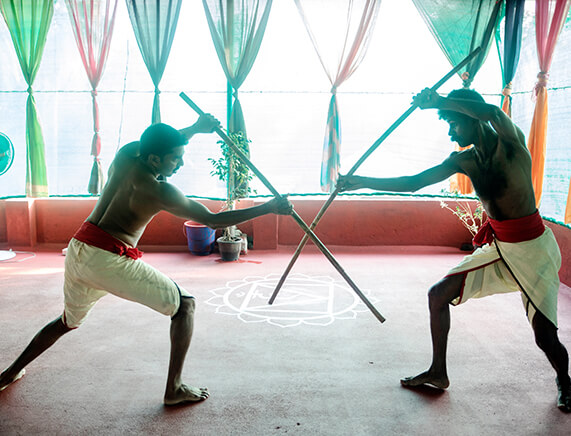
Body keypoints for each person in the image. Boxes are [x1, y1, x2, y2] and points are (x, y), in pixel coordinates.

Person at [0, 115, 292, 405]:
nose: (179, 164)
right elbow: (213, 220)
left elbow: (157, 140)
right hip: (108, 260)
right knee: (185, 306)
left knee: (66, 322)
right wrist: (268, 207)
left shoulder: (127, 153)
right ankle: (174, 389)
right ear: (154, 159)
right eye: (174, 159)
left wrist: (194, 129)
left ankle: (9, 373)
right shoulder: (159, 191)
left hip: (78, 251)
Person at [337, 88, 570, 412]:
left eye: (453, 123)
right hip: (500, 249)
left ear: (469, 117)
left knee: (545, 337)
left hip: (534, 251)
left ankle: (565, 380)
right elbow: (413, 182)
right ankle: (438, 372)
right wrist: (360, 181)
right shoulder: (465, 160)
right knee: (437, 295)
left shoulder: (511, 143)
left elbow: (490, 111)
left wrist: (439, 102)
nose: (450, 132)